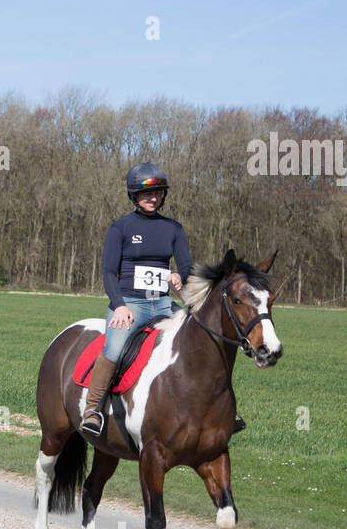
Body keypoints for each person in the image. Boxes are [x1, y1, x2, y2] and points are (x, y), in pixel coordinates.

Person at [81, 163, 243, 435]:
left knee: (202, 340)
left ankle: (222, 409)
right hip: (130, 303)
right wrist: (119, 305)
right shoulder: (120, 228)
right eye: (147, 194)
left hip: (164, 303)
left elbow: (187, 269)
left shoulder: (173, 229)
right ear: (134, 195)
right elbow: (109, 272)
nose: (153, 198)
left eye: (158, 193)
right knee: (115, 348)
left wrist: (179, 279)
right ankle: (92, 409)